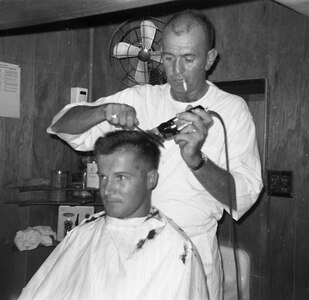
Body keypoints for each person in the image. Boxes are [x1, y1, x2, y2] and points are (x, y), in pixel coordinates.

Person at [47, 10, 263, 300]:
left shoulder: (232, 110)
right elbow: (61, 126)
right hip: (132, 252)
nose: (177, 71)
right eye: (169, 58)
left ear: (210, 59)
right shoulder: (140, 98)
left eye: (189, 59)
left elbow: (244, 197)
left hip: (191, 252)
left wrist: (197, 162)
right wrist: (102, 112)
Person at [18, 130, 209, 300]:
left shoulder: (175, 249)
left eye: (121, 177)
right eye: (103, 177)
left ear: (150, 179)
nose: (108, 189)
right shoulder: (84, 232)